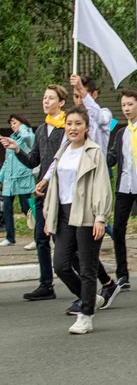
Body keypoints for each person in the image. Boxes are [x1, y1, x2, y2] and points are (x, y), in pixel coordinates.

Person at [43, 105, 112, 334]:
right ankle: (89, 297)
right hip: (63, 214)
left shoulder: (94, 152)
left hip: (86, 214)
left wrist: (100, 217)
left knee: (87, 268)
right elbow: (54, 187)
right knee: (61, 265)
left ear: (86, 127)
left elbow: (102, 185)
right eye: (69, 124)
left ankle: (86, 315)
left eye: (78, 124)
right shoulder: (62, 152)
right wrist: (48, 216)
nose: (73, 128)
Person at [1, 84, 67, 301]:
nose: (45, 101)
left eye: (50, 98)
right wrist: (17, 149)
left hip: (60, 192)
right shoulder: (41, 130)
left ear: (61, 102)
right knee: (40, 238)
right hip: (41, 192)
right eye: (44, 98)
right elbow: (33, 161)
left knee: (61, 241)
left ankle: (90, 279)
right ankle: (46, 285)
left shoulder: (67, 127)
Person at [106, 89, 137, 290]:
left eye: (130, 104)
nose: (126, 108)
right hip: (124, 187)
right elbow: (114, 157)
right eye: (123, 105)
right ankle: (122, 275)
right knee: (117, 230)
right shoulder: (122, 133)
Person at [0, 115, 35, 247]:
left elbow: (28, 138)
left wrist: (23, 128)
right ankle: (10, 237)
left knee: (26, 208)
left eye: (15, 123)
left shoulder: (28, 136)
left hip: (23, 178)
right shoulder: (11, 139)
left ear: (23, 124)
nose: (13, 126)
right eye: (11, 124)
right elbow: (7, 161)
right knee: (7, 208)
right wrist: (0, 177)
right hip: (9, 179)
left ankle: (39, 236)